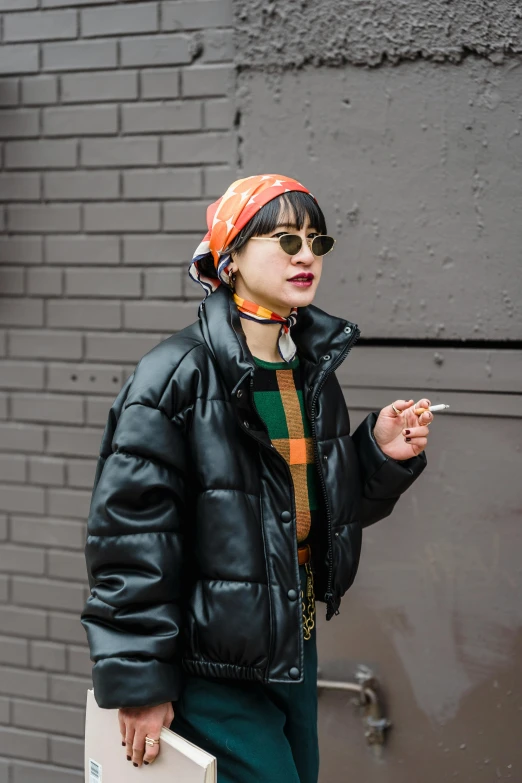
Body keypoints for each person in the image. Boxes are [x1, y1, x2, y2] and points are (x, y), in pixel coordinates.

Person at [80, 174, 430, 783]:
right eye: (283, 238)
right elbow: (130, 541)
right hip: (208, 663)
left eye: (315, 242)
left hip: (293, 640)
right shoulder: (175, 375)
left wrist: (378, 455)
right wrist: (139, 682)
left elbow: (309, 510)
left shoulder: (310, 372)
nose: (304, 255)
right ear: (231, 257)